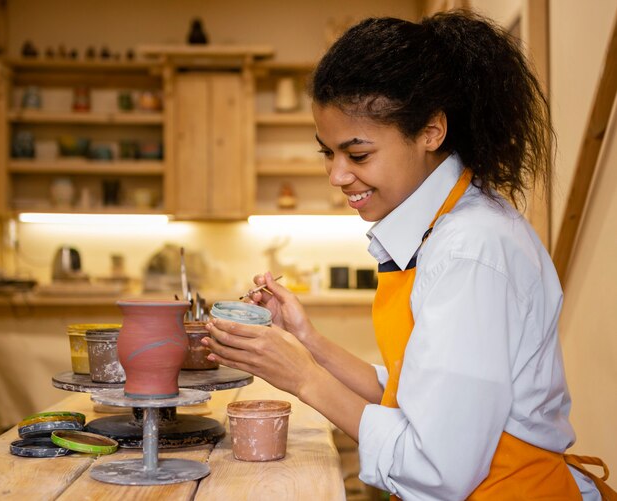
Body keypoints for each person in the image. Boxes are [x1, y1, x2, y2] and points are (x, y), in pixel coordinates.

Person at [202, 11, 612, 500]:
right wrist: (308, 341)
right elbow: (417, 392)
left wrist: (303, 377)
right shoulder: (444, 225)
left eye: (357, 155)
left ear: (431, 132)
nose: (336, 175)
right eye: (326, 153)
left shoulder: (469, 251)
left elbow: (436, 467)